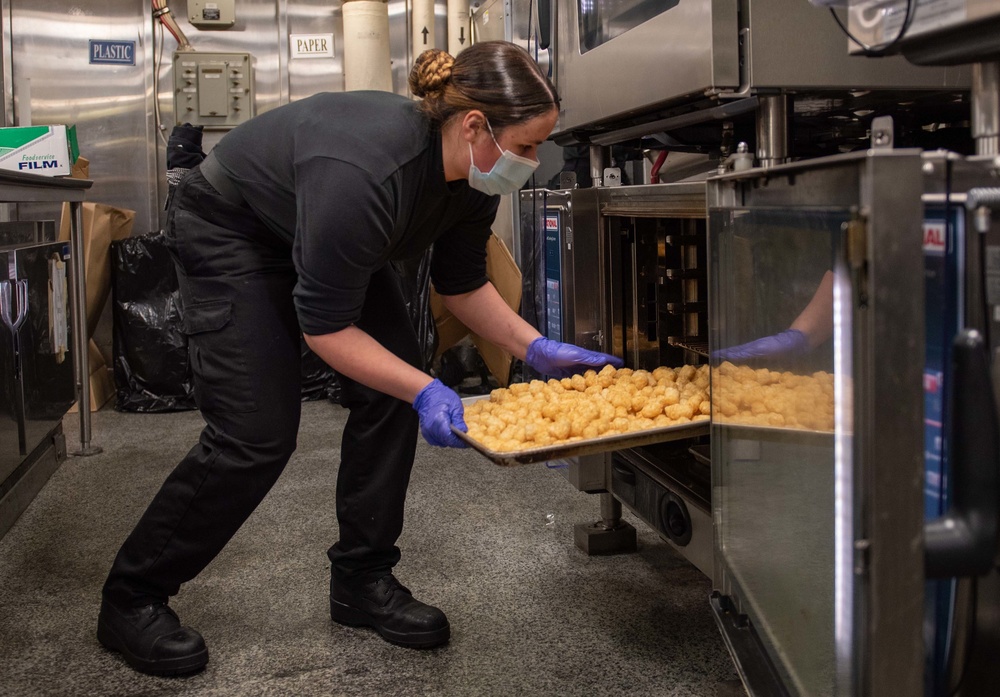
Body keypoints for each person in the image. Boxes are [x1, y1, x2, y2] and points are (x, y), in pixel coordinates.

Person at [96, 41, 622, 677]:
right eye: (530, 145)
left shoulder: (477, 176)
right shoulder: (368, 172)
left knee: (393, 390)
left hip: (323, 231)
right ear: (475, 125)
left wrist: (534, 347)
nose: (533, 162)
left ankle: (361, 581)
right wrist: (428, 388)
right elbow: (325, 329)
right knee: (255, 433)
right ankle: (132, 597)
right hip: (231, 227)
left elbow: (462, 284)